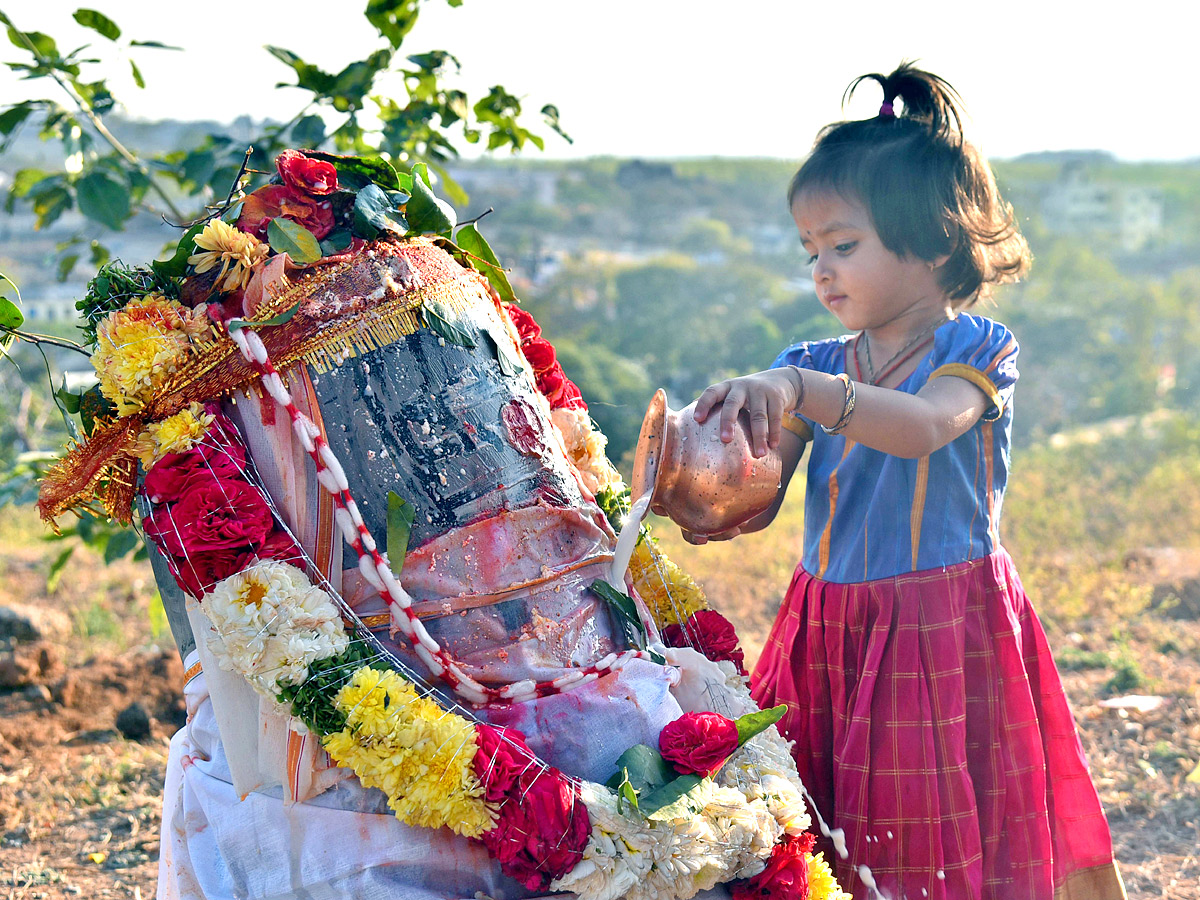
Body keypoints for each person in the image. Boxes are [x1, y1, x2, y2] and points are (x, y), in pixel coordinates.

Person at [684, 63, 1126, 900]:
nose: (822, 271)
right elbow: (767, 492)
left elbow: (924, 428)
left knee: (928, 826)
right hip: (828, 623)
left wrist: (799, 393)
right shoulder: (811, 363)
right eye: (811, 251)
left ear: (931, 243)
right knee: (815, 819)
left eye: (843, 246)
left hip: (939, 623)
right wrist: (708, 495)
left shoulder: (976, 352)